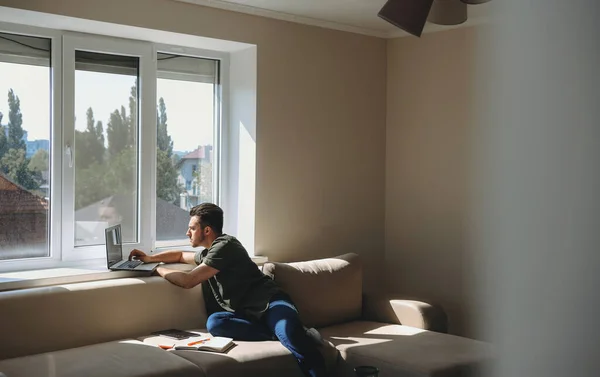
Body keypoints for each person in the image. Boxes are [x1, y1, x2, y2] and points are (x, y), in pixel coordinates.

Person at [129, 203, 328, 377]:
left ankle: (297, 337)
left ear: (206, 230)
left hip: (271, 302)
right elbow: (181, 255)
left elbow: (189, 280)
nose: (187, 233)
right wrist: (149, 258)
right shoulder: (209, 252)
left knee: (288, 332)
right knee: (215, 323)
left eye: (191, 228)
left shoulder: (226, 246)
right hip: (248, 315)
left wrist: (155, 269)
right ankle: (293, 332)